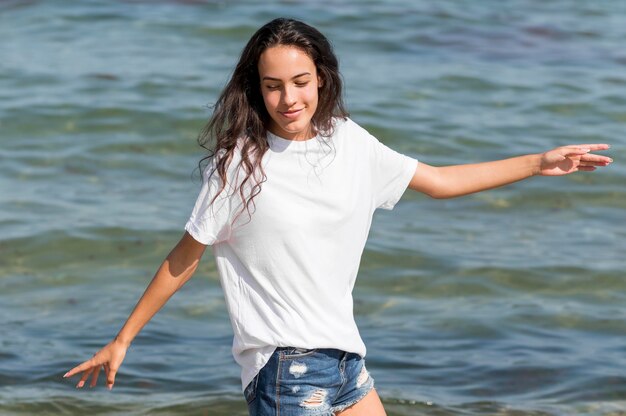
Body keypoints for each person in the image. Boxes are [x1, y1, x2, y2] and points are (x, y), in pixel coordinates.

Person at [64, 17, 612, 416]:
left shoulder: (350, 142)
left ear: (321, 77)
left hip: (348, 361)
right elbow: (184, 258)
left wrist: (538, 162)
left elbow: (441, 182)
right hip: (286, 369)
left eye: (300, 82)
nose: (288, 98)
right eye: (273, 85)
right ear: (256, 89)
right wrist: (123, 340)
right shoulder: (239, 165)